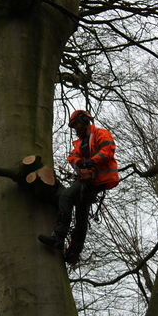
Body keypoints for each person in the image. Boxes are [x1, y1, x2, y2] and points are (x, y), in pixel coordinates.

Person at [38, 110, 119, 264]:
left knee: (66, 197)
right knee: (81, 214)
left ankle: (58, 237)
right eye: (73, 126)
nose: (75, 128)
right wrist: (79, 163)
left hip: (99, 178)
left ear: (85, 120)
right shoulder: (80, 143)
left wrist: (92, 161)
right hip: (87, 180)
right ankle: (74, 253)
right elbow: (72, 156)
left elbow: (108, 150)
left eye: (77, 124)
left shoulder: (100, 133)